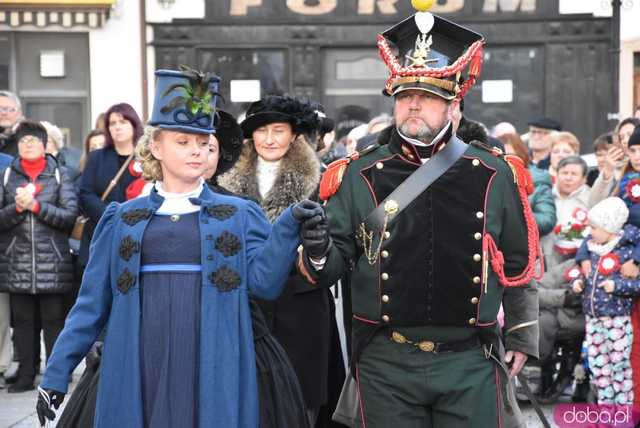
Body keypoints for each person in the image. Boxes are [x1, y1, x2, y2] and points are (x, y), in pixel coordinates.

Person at [36, 67, 325, 428]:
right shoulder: (123, 218)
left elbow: (265, 284)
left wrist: (287, 226)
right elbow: (91, 305)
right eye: (183, 142)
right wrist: (56, 374)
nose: (197, 153)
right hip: (138, 364)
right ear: (156, 146)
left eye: (203, 144)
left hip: (214, 366)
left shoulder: (240, 214)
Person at [297, 5, 540, 426]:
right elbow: (332, 264)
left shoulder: (496, 172)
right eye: (405, 97)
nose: (414, 106)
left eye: (428, 97)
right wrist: (317, 248)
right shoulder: (356, 173)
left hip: (470, 359)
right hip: (386, 360)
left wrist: (522, 335)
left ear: (452, 105)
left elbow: (517, 264)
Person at [218, 95, 340, 427]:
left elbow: (336, 239)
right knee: (247, 396)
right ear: (249, 136)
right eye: (261, 131)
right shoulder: (223, 178)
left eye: (278, 130)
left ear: (294, 135)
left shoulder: (324, 178)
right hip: (243, 300)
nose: (270, 139)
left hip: (300, 300)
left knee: (302, 397)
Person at [0, 121, 78, 393]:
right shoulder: (8, 175)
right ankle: (26, 373)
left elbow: (69, 216)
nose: (28, 144)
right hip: (16, 260)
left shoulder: (60, 174)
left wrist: (35, 206)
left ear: (45, 145)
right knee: (22, 322)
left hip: (53, 260)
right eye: (23, 141)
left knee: (54, 321)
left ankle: (57, 373)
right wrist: (18, 209)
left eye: (33, 140)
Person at [572, 197, 640, 405]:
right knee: (599, 366)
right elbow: (588, 275)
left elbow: (636, 285)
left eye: (594, 227)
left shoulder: (626, 252)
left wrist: (617, 286)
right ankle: (606, 410)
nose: (590, 232)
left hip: (617, 320)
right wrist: (579, 283)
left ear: (610, 228)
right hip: (593, 319)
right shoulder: (594, 249)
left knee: (619, 367)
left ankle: (623, 412)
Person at [77, 103, 143, 269]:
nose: (117, 127)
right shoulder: (97, 157)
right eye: (112, 123)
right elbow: (85, 193)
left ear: (134, 125)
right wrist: (111, 215)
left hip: (136, 231)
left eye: (123, 122)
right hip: (102, 231)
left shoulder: (146, 157)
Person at [500, 132, 556, 236]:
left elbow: (547, 220)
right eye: (500, 157)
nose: (505, 161)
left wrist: (514, 216)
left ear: (521, 155)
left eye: (510, 156)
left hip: (524, 245)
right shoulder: (489, 178)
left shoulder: (538, 180)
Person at [0, 90, 24, 156]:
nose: (4, 113)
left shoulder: (30, 139)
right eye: (0, 109)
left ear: (19, 113)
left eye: (10, 109)